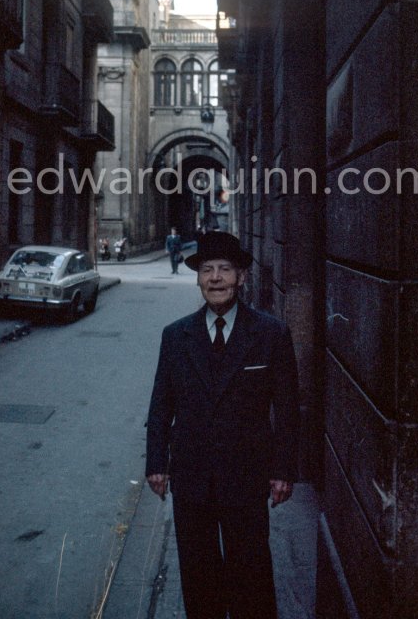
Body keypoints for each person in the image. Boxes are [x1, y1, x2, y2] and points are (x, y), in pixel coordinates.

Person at [146, 231, 300, 619]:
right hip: (192, 475)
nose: (215, 278)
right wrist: (156, 464)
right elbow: (161, 405)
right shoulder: (176, 336)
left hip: (246, 476)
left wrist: (283, 470)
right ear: (198, 279)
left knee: (250, 572)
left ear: (241, 278)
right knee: (198, 575)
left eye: (225, 270)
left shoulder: (271, 334)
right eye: (207, 270)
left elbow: (286, 409)